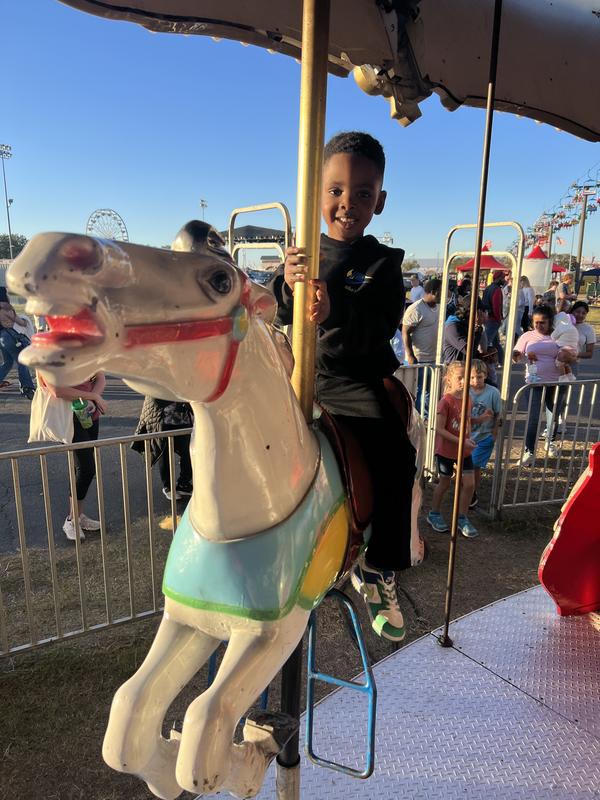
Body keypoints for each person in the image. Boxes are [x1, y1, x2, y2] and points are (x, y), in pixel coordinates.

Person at [272, 130, 416, 642]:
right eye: (334, 191)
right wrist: (284, 286)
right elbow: (276, 309)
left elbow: (378, 326)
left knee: (398, 457)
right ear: (317, 196)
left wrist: (338, 310)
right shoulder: (302, 256)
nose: (346, 203)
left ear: (380, 200)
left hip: (351, 380)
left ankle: (380, 566)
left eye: (361, 193)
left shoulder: (383, 263)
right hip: (298, 374)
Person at [40, 372, 107, 541]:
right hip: (67, 417)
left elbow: (100, 376)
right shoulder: (48, 351)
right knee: (86, 469)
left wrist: (93, 398)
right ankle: (71, 520)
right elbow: (57, 390)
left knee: (81, 469)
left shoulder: (86, 347)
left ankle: (78, 516)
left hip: (90, 414)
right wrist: (92, 396)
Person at [427, 361, 478, 538]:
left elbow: (468, 421)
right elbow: (439, 429)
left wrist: (469, 438)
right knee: (445, 481)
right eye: (460, 377)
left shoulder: (468, 399)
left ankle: (462, 517)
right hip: (446, 451)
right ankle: (434, 513)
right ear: (449, 379)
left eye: (468, 377)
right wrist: (460, 441)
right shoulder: (445, 402)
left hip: (464, 450)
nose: (465, 381)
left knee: (469, 483)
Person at [513, 306, 565, 464]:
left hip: (557, 382)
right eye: (535, 322)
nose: (538, 326)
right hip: (534, 383)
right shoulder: (527, 335)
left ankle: (550, 443)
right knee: (533, 418)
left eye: (542, 322)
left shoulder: (559, 336)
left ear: (550, 322)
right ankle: (529, 451)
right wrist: (518, 355)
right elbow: (516, 356)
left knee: (554, 416)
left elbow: (570, 353)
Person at [132, 397, 193, 500]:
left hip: (182, 418)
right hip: (161, 418)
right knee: (163, 453)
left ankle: (184, 484)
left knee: (188, 452)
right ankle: (168, 487)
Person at [402, 277, 441, 418]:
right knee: (420, 392)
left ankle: (427, 419)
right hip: (419, 359)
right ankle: (421, 421)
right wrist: (410, 355)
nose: (444, 296)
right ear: (433, 292)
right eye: (441, 292)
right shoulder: (416, 308)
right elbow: (405, 332)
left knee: (430, 392)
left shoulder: (438, 308)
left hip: (434, 358)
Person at [468, 359, 501, 509]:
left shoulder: (493, 392)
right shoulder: (465, 391)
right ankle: (466, 488)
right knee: (465, 464)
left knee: (475, 465)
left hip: (483, 436)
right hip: (467, 435)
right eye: (472, 377)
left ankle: (472, 492)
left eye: (479, 377)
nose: (476, 380)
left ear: (486, 375)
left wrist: (494, 434)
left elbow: (498, 414)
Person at [0, 293, 36, 398]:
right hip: (9, 335)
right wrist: (25, 320)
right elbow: (21, 323)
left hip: (1, 337)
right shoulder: (6, 308)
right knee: (22, 361)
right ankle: (27, 387)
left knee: (8, 362)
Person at [482, 270, 506, 366]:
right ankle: (483, 363)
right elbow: (497, 306)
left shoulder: (488, 288)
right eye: (503, 278)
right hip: (493, 319)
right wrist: (499, 319)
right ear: (499, 278)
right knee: (486, 343)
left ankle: (502, 361)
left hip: (488, 318)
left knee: (496, 343)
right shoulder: (496, 290)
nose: (504, 280)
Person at [570, 300, 596, 377]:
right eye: (577, 312)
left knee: (565, 388)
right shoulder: (564, 323)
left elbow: (589, 353)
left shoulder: (589, 329)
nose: (580, 315)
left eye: (583, 313)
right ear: (572, 311)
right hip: (553, 361)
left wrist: (573, 354)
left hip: (572, 364)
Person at [551, 311, 579, 381]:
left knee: (559, 363)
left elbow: (552, 337)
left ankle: (563, 377)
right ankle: (570, 375)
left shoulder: (560, 326)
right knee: (566, 364)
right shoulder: (573, 327)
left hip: (564, 349)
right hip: (574, 350)